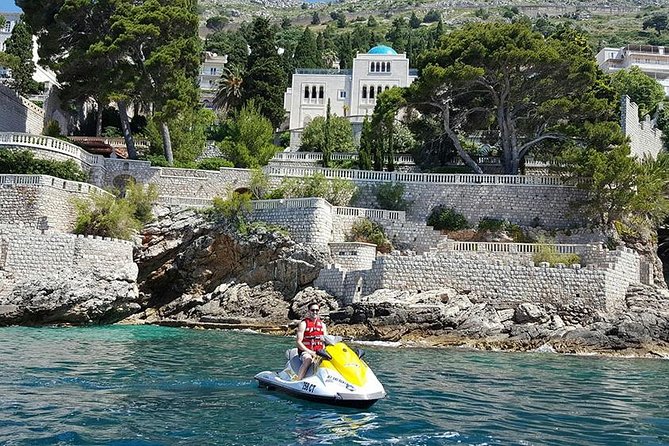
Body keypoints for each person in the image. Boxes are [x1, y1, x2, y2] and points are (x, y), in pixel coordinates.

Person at [295, 302, 328, 380]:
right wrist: (310, 352)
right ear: (309, 311)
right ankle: (298, 379)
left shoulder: (323, 325)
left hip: (319, 352)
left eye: (317, 310)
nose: (315, 312)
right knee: (308, 360)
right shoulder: (303, 324)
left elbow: (326, 340)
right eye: (312, 310)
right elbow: (299, 342)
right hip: (306, 352)